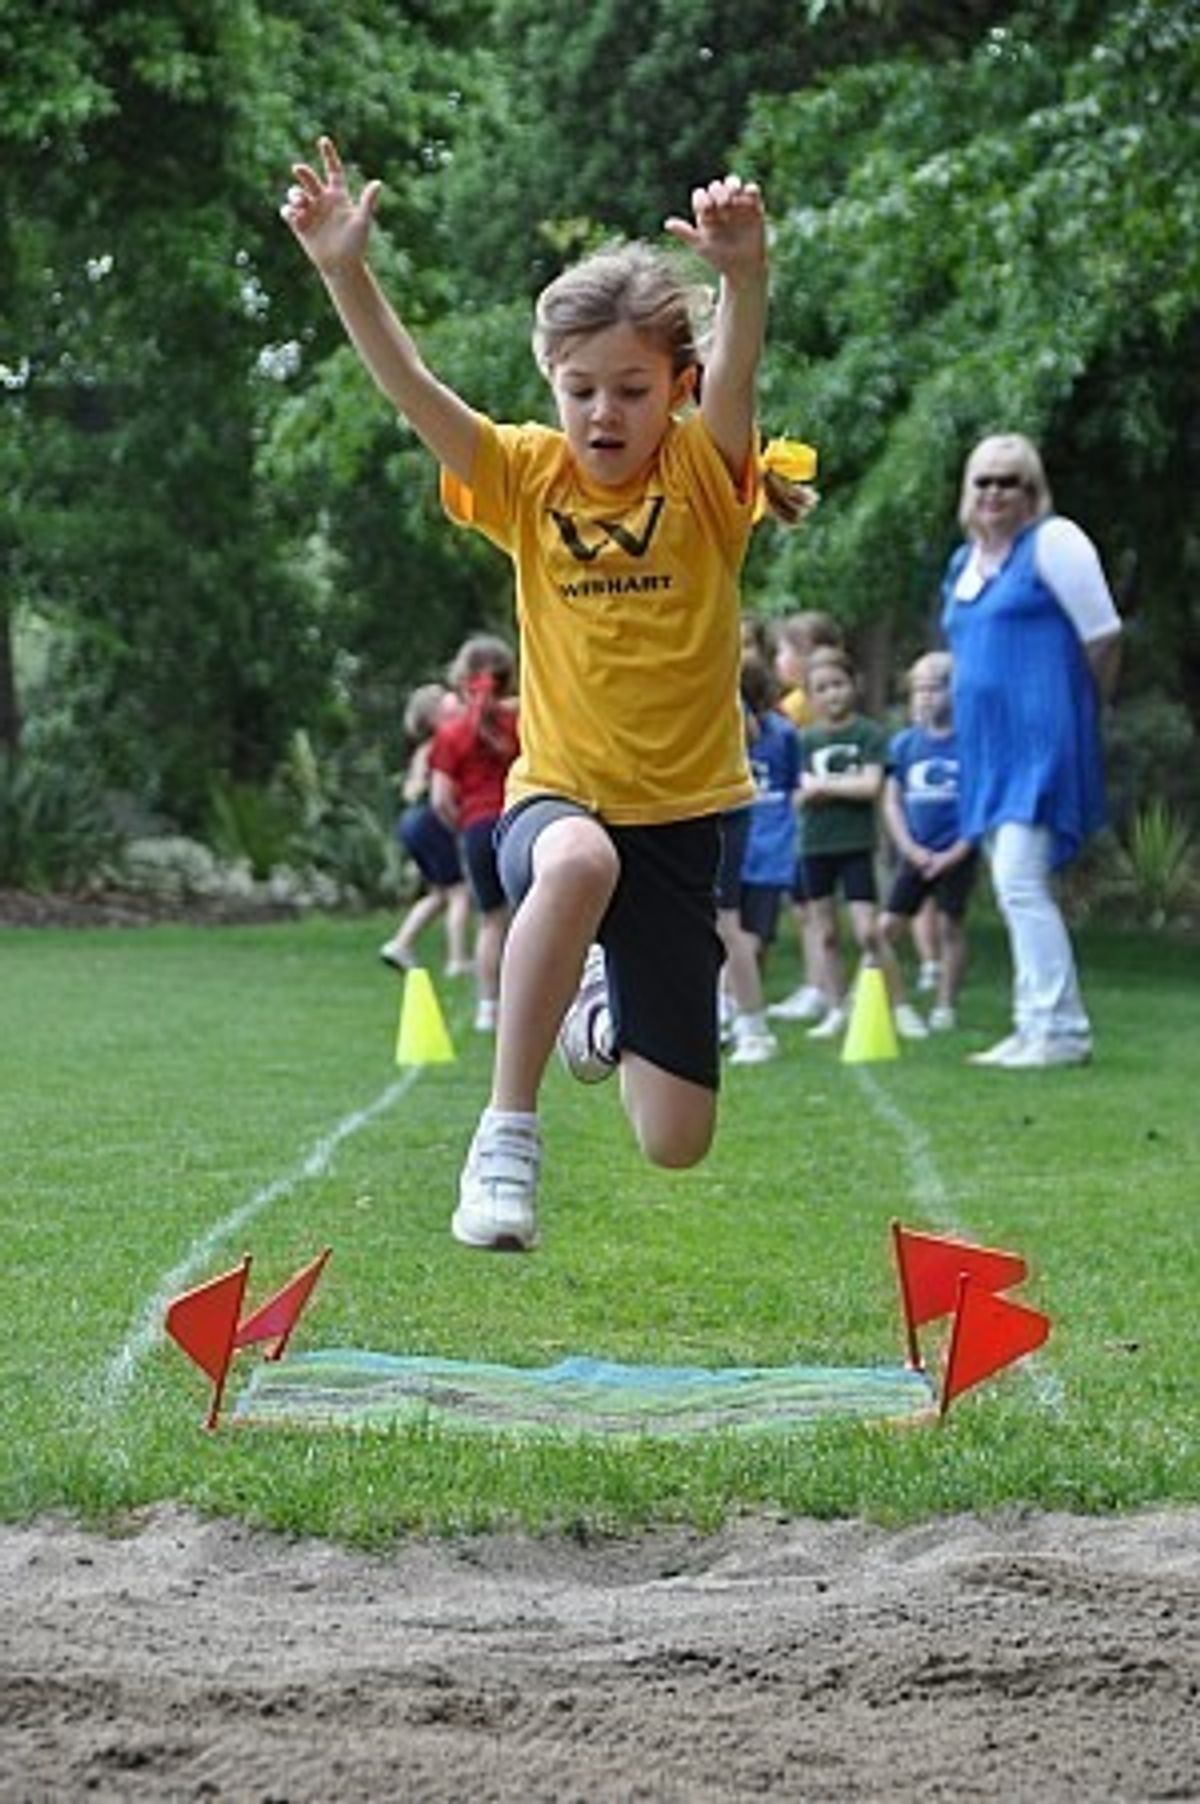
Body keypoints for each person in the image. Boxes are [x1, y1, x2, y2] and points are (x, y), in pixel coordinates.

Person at [283, 138, 770, 1251]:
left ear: (677, 389)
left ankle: (595, 999)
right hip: (556, 804)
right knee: (580, 862)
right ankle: (506, 1136)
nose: (603, 413)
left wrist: (744, 278)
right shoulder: (525, 477)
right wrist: (344, 270)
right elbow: (412, 388)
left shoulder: (703, 478)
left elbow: (739, 382)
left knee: (675, 1139)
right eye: (579, 389)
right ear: (551, 384)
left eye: (632, 391)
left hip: (681, 824)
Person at [942, 433, 1121, 1069]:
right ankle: (1032, 1024)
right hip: (988, 753)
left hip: (1042, 746)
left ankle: (1062, 1029)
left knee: (1019, 881)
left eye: (1009, 481)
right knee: (1012, 882)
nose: (994, 493)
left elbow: (1104, 636)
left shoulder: (1054, 543)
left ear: (1032, 491)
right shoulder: (962, 563)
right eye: (984, 480)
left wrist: (1082, 711)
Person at [876, 652, 978, 1035]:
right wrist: (908, 848)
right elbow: (891, 801)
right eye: (917, 689)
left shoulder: (970, 745)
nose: (924, 697)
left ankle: (945, 1005)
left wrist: (957, 852)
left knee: (951, 927)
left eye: (933, 688)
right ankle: (891, 1002)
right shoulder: (904, 745)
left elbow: (980, 806)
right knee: (885, 928)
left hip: (956, 853)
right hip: (915, 854)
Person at [789, 646, 888, 1040]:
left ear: (853, 685)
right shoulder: (804, 741)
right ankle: (835, 1006)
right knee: (826, 933)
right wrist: (819, 790)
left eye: (838, 684)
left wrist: (825, 787)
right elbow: (798, 794)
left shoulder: (869, 734)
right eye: (822, 688)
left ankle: (880, 1000)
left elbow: (871, 786)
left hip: (855, 845)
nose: (832, 694)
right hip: (814, 846)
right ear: (810, 696)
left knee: (868, 932)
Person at [427, 635, 520, 1033]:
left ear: (462, 676)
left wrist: (464, 826)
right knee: (529, 918)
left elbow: (440, 799)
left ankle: (488, 1008)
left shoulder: (451, 733)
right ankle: (533, 1005)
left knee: (491, 921)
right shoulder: (524, 721)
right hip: (519, 824)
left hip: (478, 829)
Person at [766, 610, 846, 1024]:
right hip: (804, 815)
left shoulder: (798, 707)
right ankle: (814, 984)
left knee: (813, 908)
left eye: (784, 651)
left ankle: (820, 987)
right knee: (807, 909)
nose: (778, 661)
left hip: (809, 819)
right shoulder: (799, 702)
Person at [726, 649, 801, 1060]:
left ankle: (752, 1028)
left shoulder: (775, 732)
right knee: (725, 932)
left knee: (736, 933)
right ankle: (733, 1016)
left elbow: (792, 783)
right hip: (736, 833)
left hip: (762, 843)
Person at [379, 682, 472, 977]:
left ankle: (400, 944)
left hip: (412, 821)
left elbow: (410, 789)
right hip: (433, 818)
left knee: (441, 892)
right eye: (450, 702)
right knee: (460, 890)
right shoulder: (444, 743)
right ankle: (457, 959)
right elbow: (441, 792)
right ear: (435, 716)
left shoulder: (423, 749)